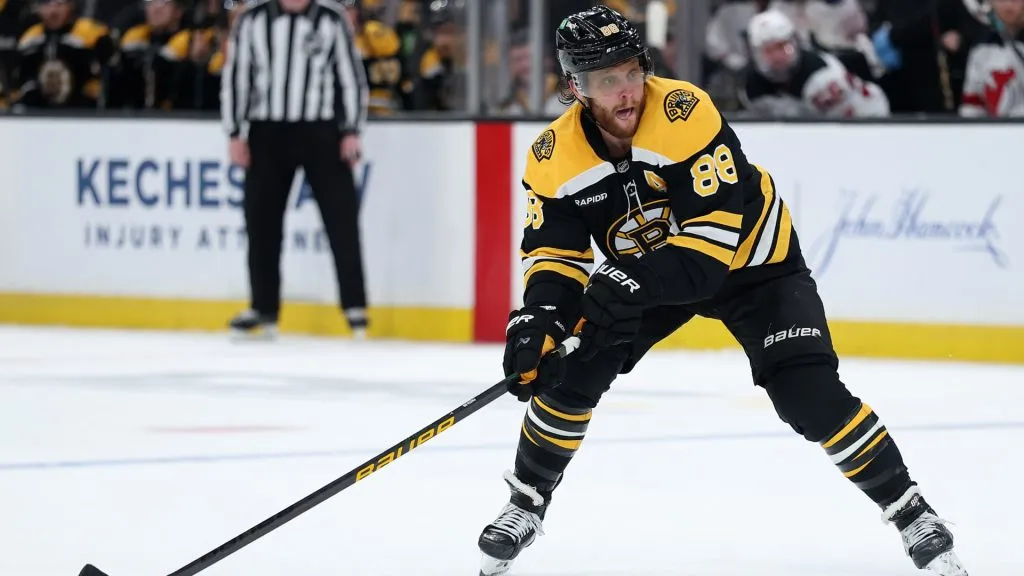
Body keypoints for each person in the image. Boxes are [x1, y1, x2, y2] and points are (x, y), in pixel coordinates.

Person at [476, 6, 967, 576]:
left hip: (753, 263)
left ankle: (911, 511)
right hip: (651, 274)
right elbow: (555, 257)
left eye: (632, 71)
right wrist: (539, 319)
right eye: (607, 80)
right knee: (568, 369)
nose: (627, 90)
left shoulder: (684, 112)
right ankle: (526, 502)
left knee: (807, 394)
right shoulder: (552, 156)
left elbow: (709, 254)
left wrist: (625, 281)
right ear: (575, 87)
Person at [222, 0, 370, 340]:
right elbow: (238, 77)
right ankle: (263, 307)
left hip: (321, 131)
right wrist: (235, 133)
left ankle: (354, 306)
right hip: (267, 131)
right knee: (261, 221)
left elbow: (350, 77)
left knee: (341, 218)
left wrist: (350, 130)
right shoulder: (253, 20)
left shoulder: (330, 19)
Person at [740, 10, 890, 118]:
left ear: (795, 43)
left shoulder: (822, 77)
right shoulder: (752, 83)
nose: (777, 56)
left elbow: (828, 128)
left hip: (868, 116)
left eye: (782, 46)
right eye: (768, 50)